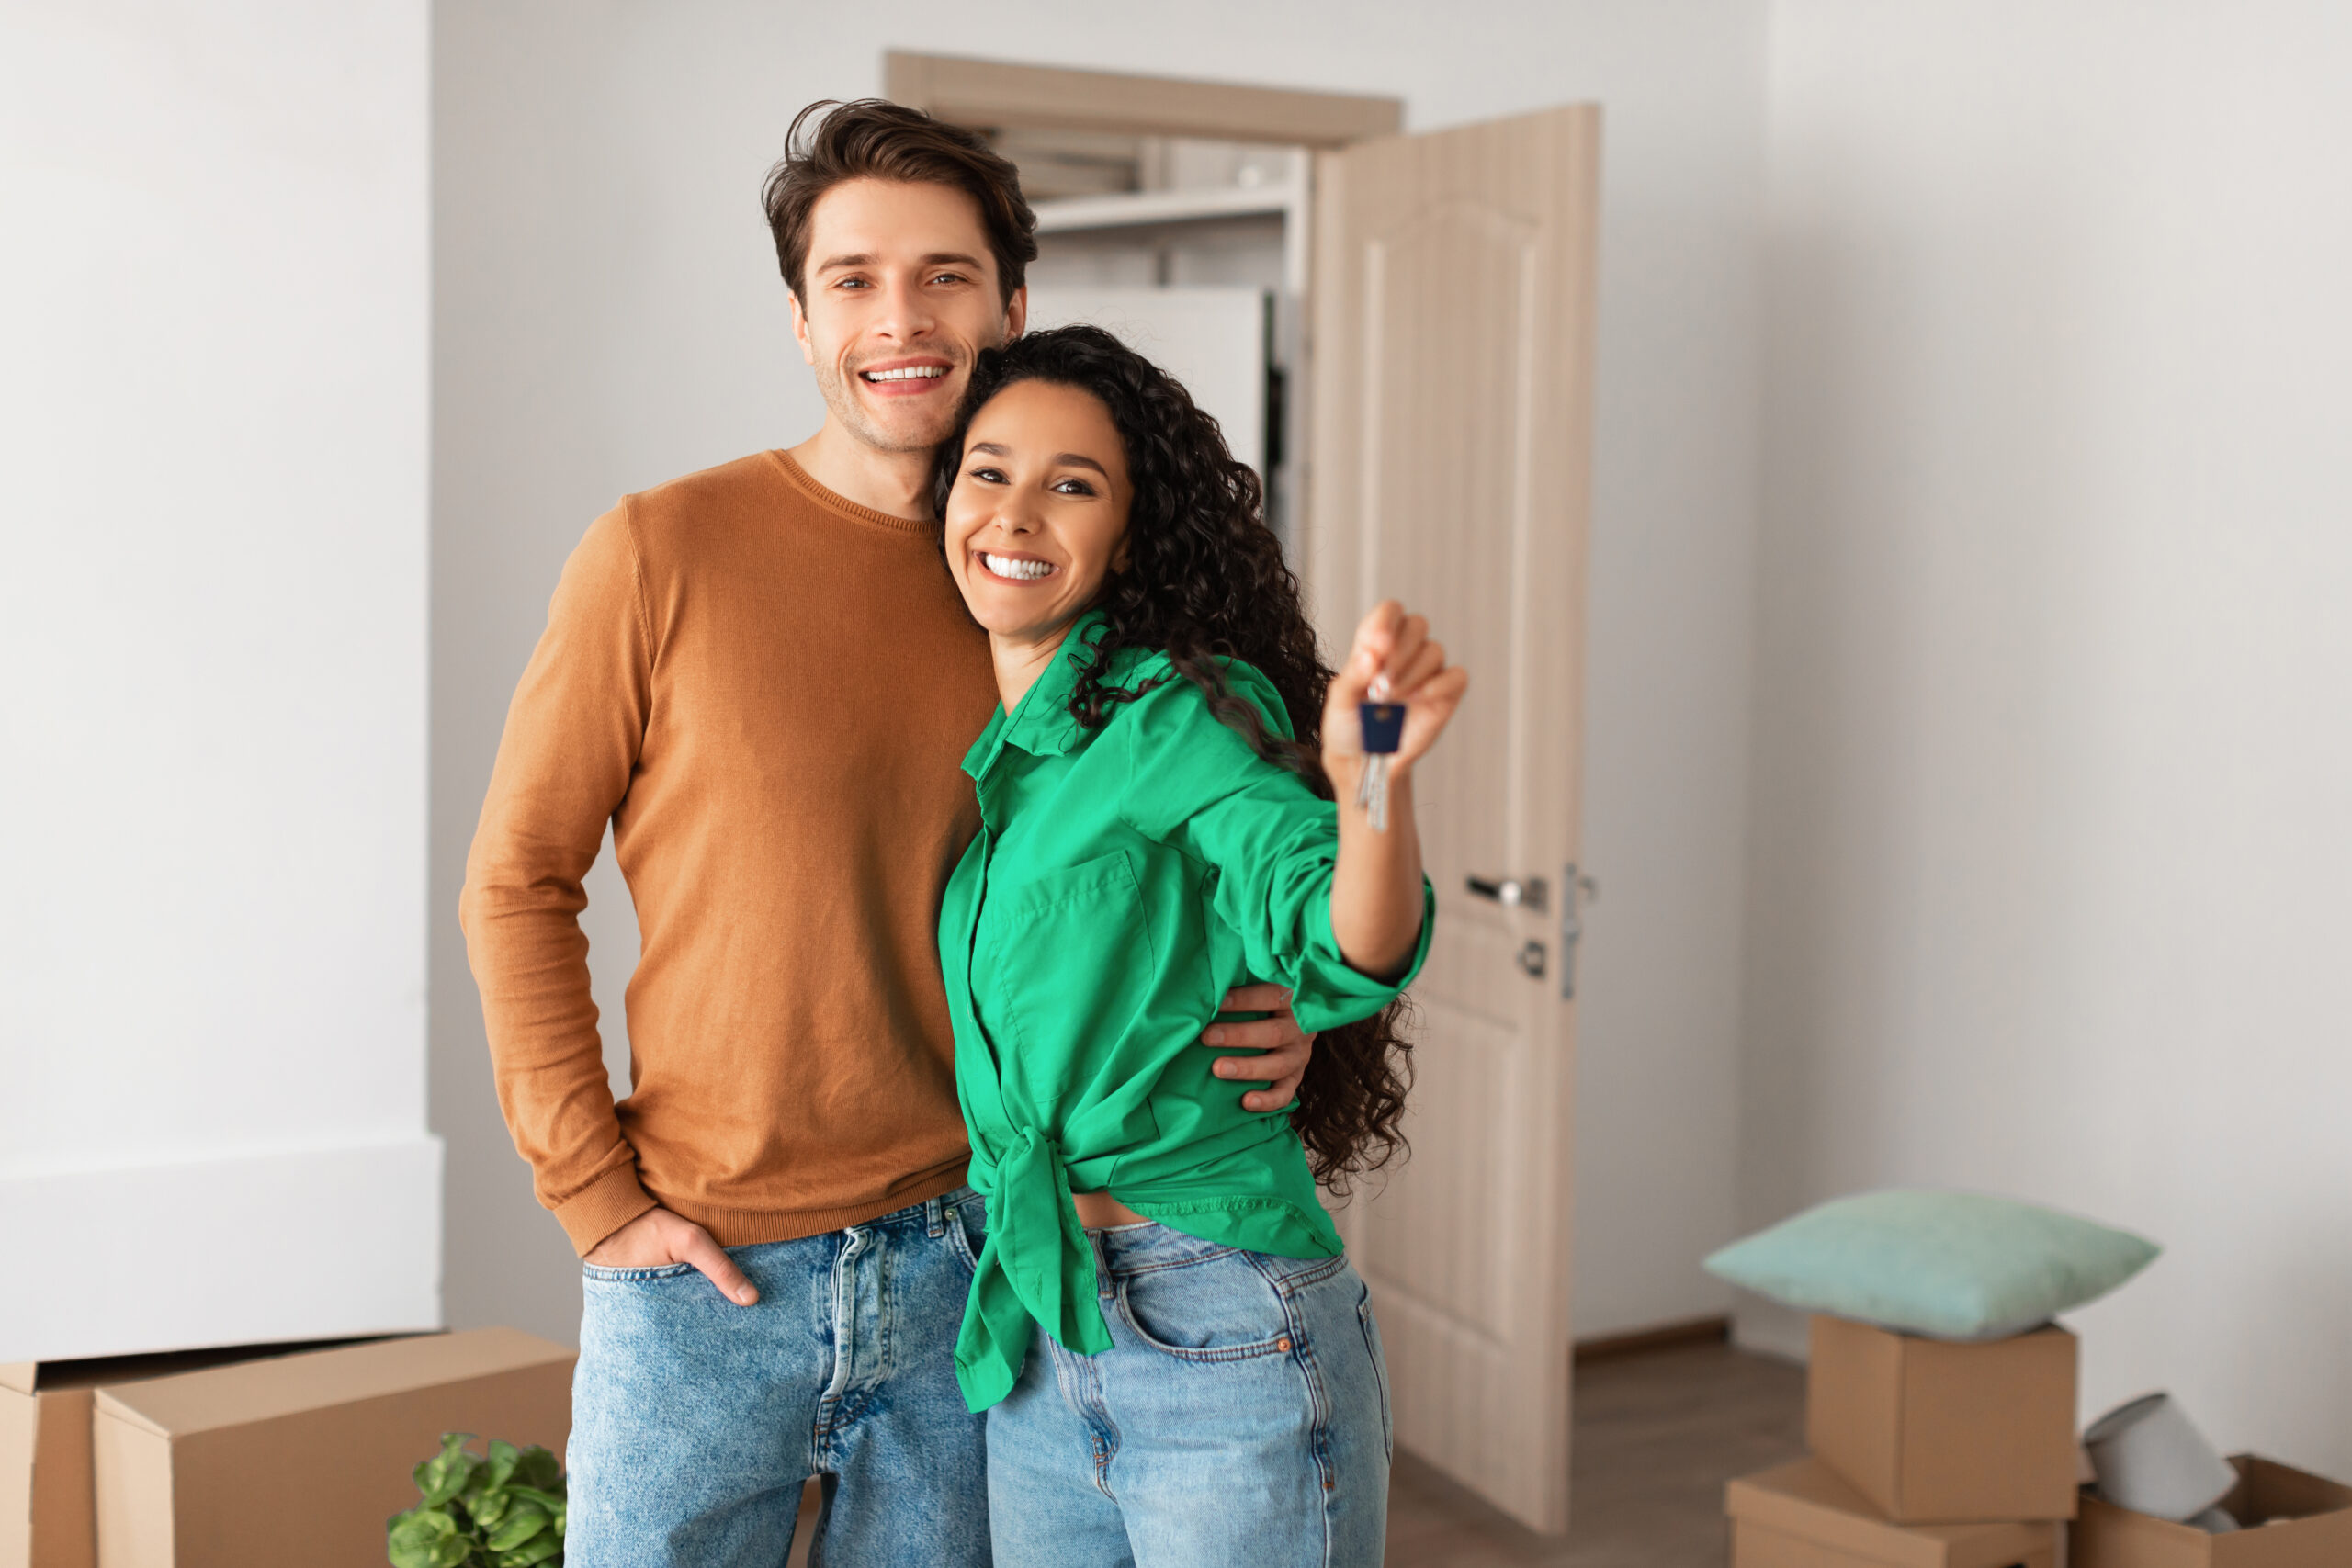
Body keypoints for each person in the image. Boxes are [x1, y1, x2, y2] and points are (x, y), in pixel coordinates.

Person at [458, 101, 1320, 1567]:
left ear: (1012, 307)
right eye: (853, 278)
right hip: (702, 1279)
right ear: (799, 318)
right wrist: (594, 1199)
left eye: (944, 275)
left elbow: (1214, 855)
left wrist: (1281, 1014)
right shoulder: (660, 550)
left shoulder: (1044, 584)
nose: (900, 317)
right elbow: (517, 881)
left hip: (974, 1267)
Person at [930, 324, 1468, 1567]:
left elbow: (1343, 932)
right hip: (1039, 1322)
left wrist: (1370, 787)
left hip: (1217, 1325)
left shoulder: (1179, 713)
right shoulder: (1003, 753)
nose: (1015, 512)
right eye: (989, 470)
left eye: (1073, 484)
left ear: (1130, 530)